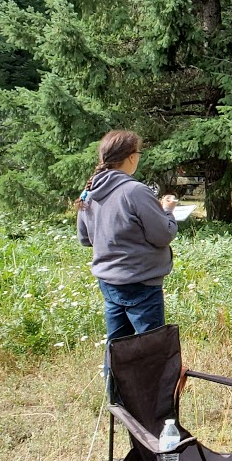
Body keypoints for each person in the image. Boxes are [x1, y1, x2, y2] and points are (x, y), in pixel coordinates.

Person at [77, 130, 180, 339]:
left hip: (108, 282)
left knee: (117, 345)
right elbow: (163, 235)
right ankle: (151, 374)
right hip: (140, 282)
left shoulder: (89, 191)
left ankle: (112, 374)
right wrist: (167, 211)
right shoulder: (134, 191)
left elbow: (85, 238)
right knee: (151, 346)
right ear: (131, 157)